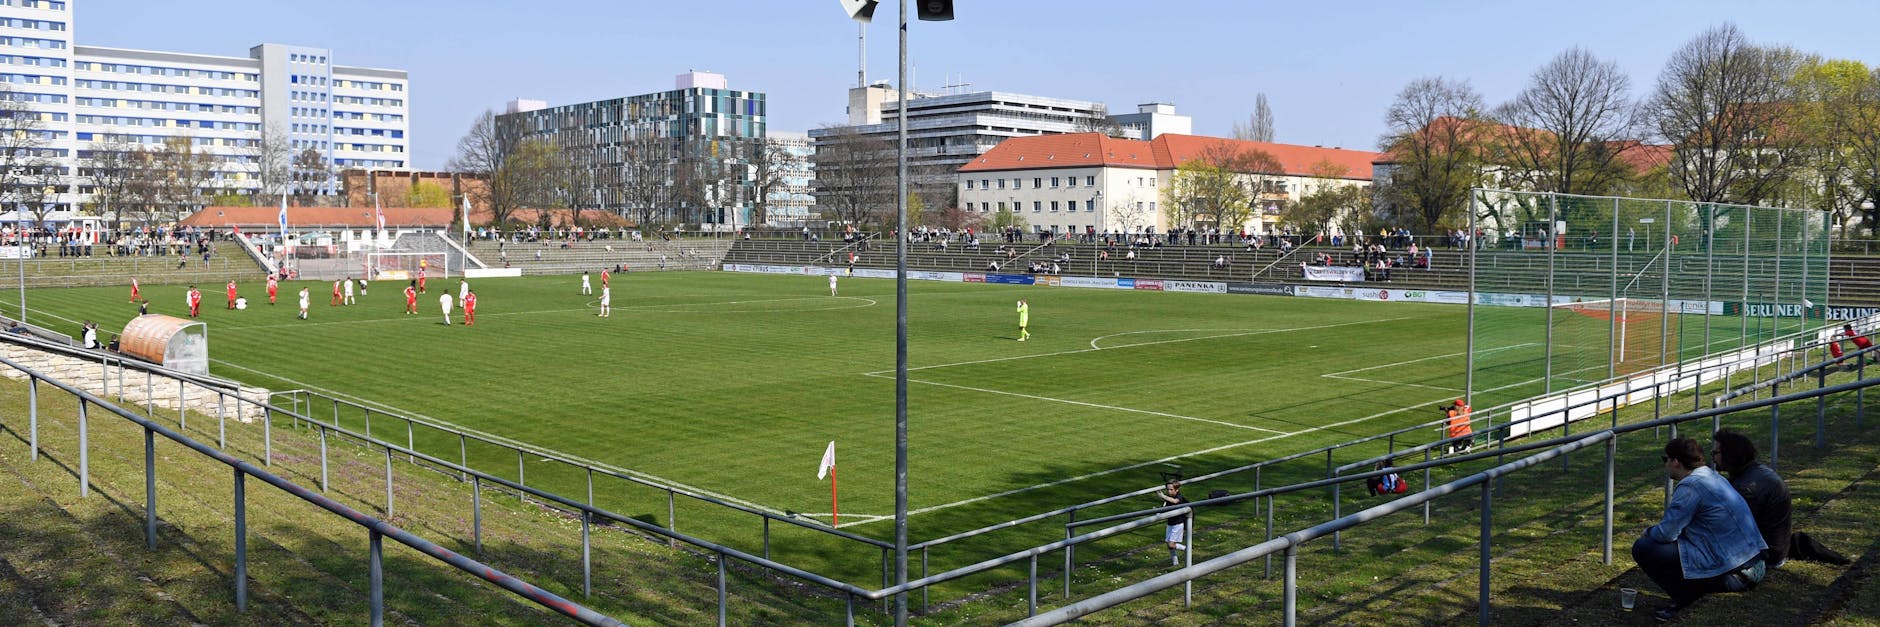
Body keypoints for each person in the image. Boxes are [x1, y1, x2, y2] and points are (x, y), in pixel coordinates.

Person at [1632, 438, 1767, 622]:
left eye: (1666, 460)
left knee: (1644, 547)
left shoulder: (1691, 486)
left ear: (1676, 461)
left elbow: (1666, 533)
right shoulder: (1712, 476)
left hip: (1734, 573)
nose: (1666, 465)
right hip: (1752, 563)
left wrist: (1648, 532)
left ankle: (1685, 599)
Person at [1710, 430, 1793, 568]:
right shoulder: (1756, 472)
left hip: (1765, 555)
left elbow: (1730, 529)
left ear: (1729, 454)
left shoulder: (1747, 488)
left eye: (1715, 453)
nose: (1713, 458)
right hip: (1775, 548)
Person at [1156, 480, 1189, 566]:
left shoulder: (1179, 497)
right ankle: (1175, 563)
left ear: (1176, 490)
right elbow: (1164, 508)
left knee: (1171, 544)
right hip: (1170, 523)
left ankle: (1187, 549)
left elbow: (1175, 501)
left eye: (1171, 489)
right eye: (1167, 489)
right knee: (1169, 545)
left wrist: (1163, 496)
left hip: (1178, 524)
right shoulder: (1167, 498)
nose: (1169, 491)